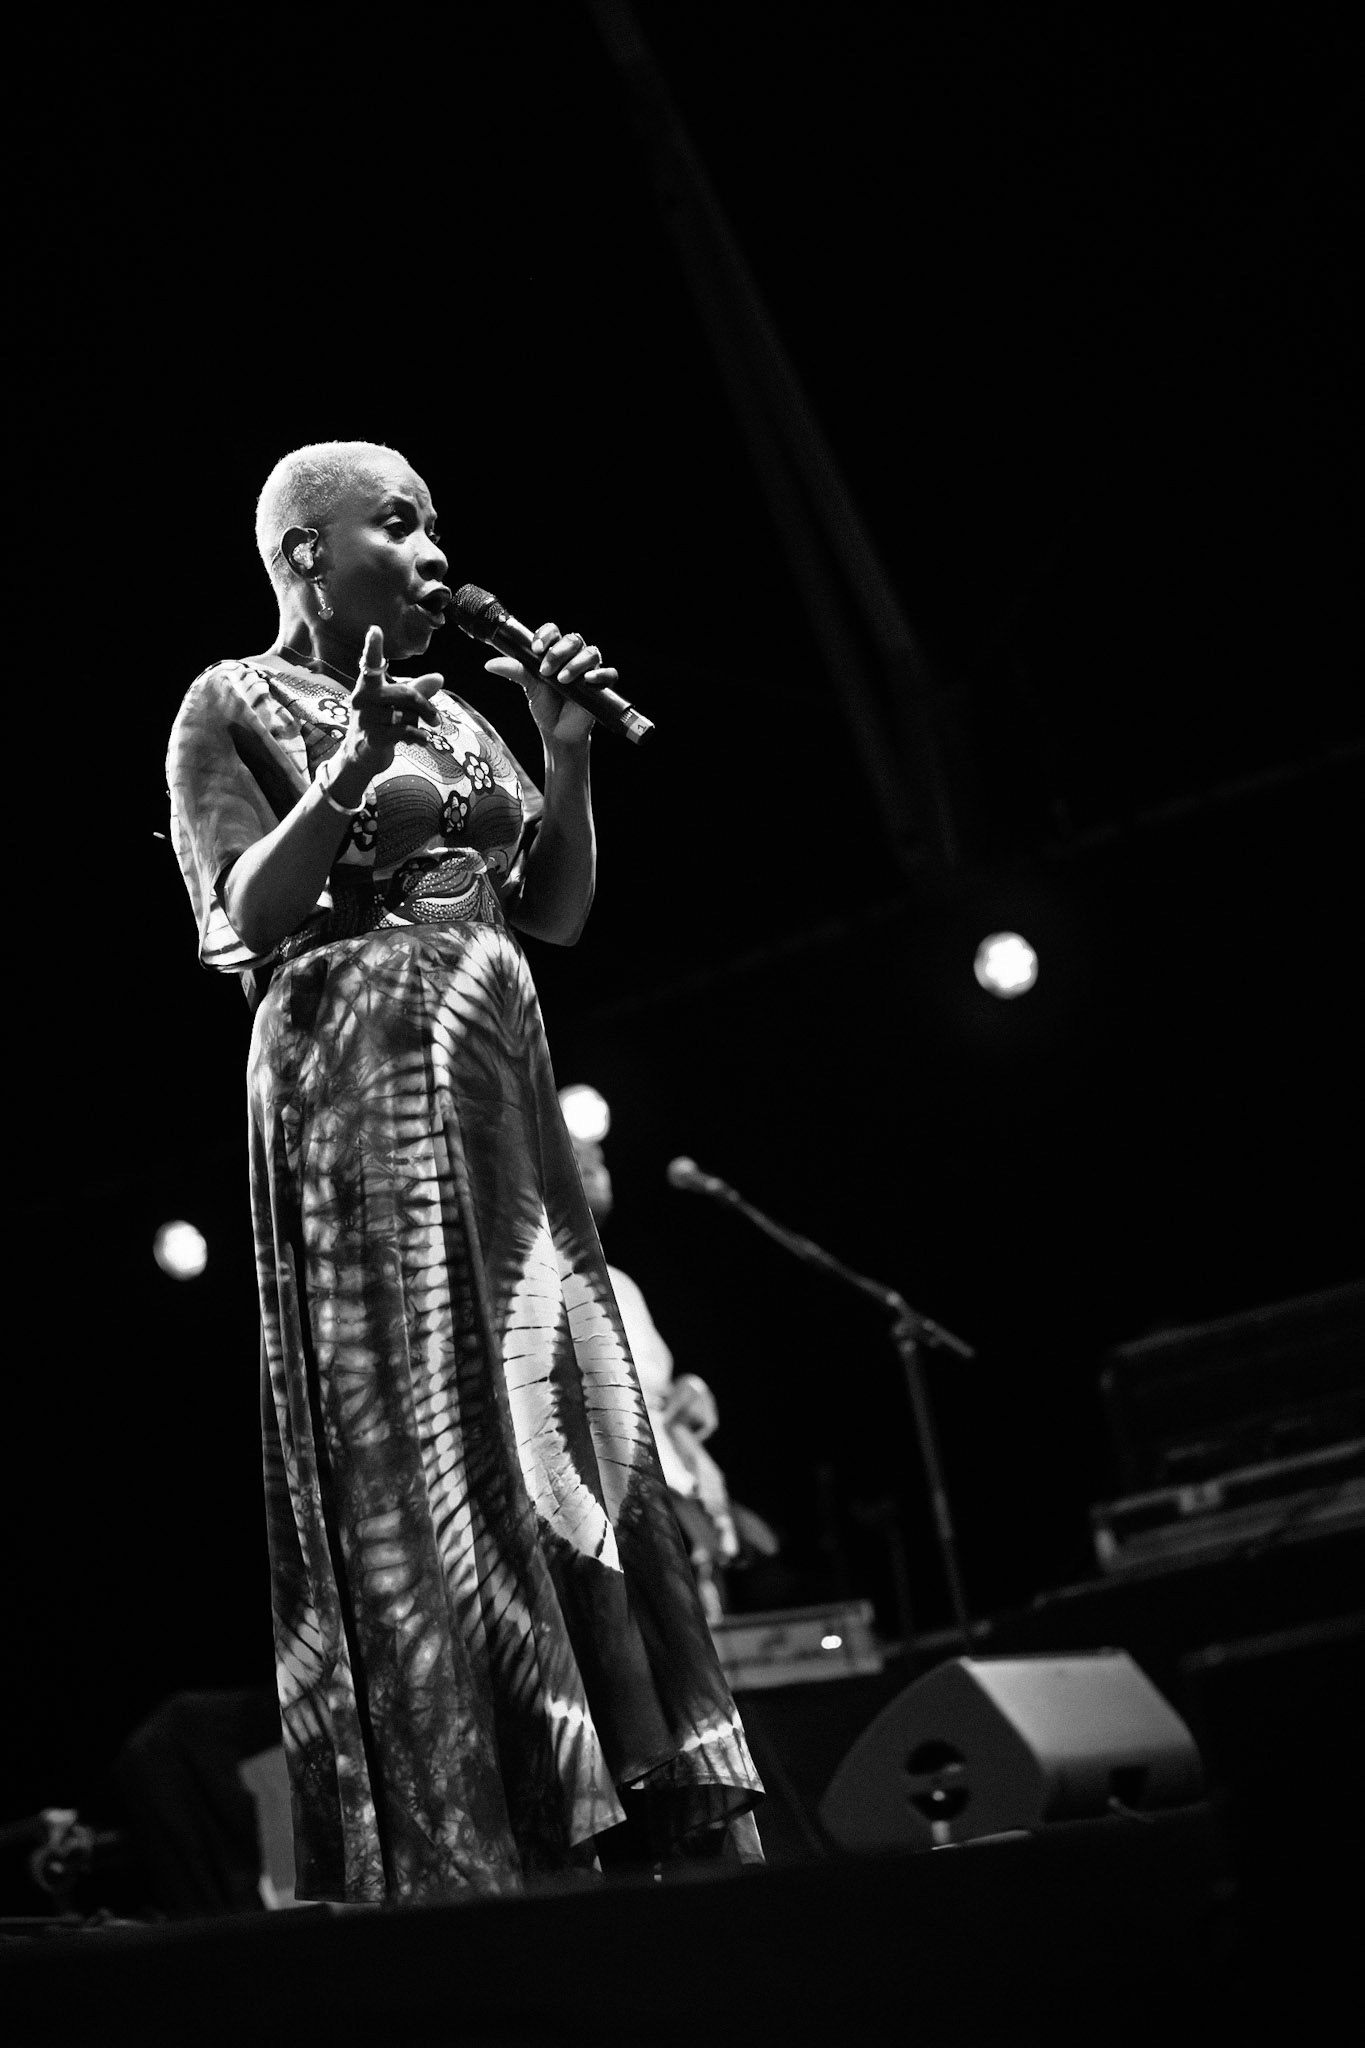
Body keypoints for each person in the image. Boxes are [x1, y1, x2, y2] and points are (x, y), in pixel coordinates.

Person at [166, 440, 762, 1904]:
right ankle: (475, 1811)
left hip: (502, 1102)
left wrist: (558, 745)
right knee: (422, 1414)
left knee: (549, 1408)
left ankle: (620, 1770)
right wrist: (351, 771)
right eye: (402, 525)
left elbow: (551, 910)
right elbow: (246, 913)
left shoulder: (455, 708)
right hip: (356, 1093)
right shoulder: (228, 703)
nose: (437, 552)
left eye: (438, 528)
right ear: (308, 551)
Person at [560, 1090, 780, 1623]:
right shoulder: (535, 1288)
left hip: (684, 1523)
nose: (593, 1162)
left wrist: (694, 1390)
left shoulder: (624, 1288)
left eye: (599, 1159)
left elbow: (660, 1392)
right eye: (573, 1156)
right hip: (618, 1532)